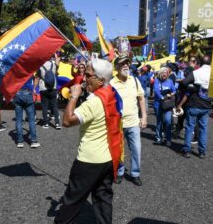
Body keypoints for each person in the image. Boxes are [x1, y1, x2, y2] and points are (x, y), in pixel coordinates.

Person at [55, 59, 123, 224]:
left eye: (88, 75)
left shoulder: (93, 102)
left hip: (89, 161)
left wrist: (73, 96)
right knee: (102, 200)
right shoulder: (112, 94)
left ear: (100, 80)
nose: (84, 78)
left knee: (72, 200)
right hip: (108, 157)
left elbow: (67, 121)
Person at [110, 55, 147, 186]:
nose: (126, 65)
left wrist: (144, 117)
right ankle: (119, 172)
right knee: (118, 150)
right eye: (122, 64)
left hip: (133, 122)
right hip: (117, 124)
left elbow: (141, 99)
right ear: (116, 67)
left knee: (136, 149)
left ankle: (135, 173)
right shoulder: (111, 83)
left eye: (127, 63)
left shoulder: (135, 80)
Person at [179, 55, 213, 158]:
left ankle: (186, 150)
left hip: (194, 104)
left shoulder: (196, 72)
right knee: (203, 129)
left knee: (190, 127)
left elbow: (184, 83)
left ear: (200, 62)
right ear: (210, 62)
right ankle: (202, 152)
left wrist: (194, 86)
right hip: (207, 105)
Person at [34, 56, 61, 129]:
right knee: (54, 106)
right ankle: (57, 123)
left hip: (43, 88)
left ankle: (46, 123)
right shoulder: (54, 64)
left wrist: (34, 88)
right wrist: (56, 57)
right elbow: (58, 66)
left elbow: (37, 78)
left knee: (45, 106)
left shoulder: (40, 66)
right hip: (53, 87)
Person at [13, 76, 40, 148]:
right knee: (31, 120)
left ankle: (20, 141)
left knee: (18, 120)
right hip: (27, 93)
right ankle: (33, 141)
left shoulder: (15, 68)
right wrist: (34, 89)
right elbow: (36, 78)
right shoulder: (28, 67)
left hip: (17, 93)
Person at [153, 67, 176, 146]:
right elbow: (156, 91)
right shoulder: (157, 81)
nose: (164, 74)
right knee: (159, 122)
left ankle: (168, 139)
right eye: (162, 72)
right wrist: (162, 97)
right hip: (158, 104)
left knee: (167, 121)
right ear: (160, 73)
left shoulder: (170, 81)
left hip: (167, 105)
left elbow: (174, 90)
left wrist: (171, 94)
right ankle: (159, 138)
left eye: (166, 72)